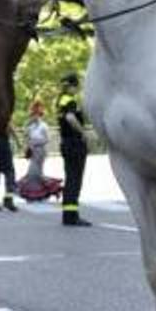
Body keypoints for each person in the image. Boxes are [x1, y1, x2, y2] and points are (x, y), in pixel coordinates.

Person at [57, 73, 92, 227]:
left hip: (66, 143)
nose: (77, 89)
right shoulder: (69, 101)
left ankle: (68, 215)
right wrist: (83, 132)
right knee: (74, 179)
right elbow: (71, 118)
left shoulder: (60, 100)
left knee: (70, 178)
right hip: (74, 143)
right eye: (76, 86)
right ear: (72, 85)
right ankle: (72, 217)